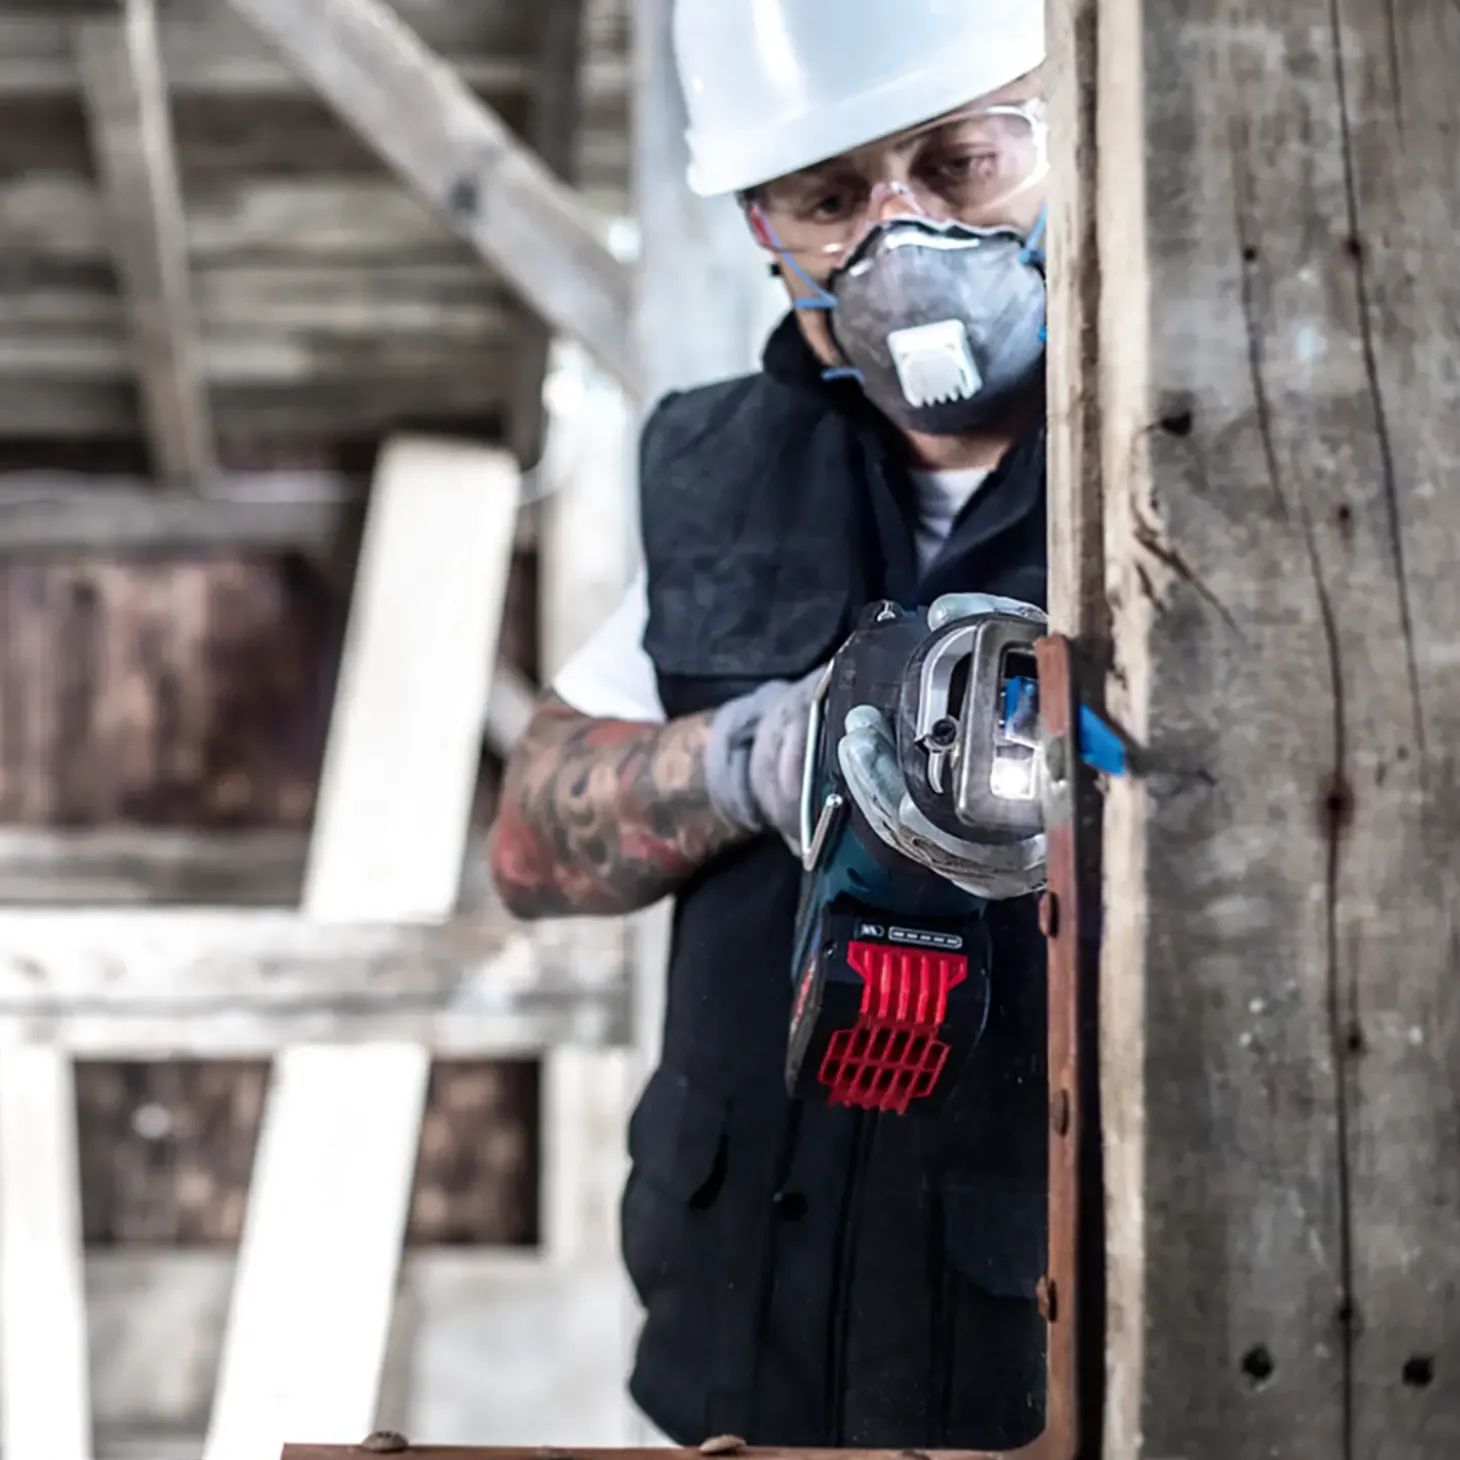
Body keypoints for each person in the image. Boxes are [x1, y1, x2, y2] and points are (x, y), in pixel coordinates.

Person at [489, 0, 1052, 1447]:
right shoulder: (716, 469)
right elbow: (530, 844)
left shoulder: (1203, 467)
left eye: (961, 163)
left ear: (1065, 142)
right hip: (740, 1362)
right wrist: (751, 759)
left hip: (1053, 1370)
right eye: (828, 197)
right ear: (763, 223)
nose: (900, 236)